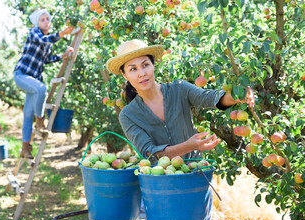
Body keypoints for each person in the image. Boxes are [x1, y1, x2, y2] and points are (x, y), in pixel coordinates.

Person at [106, 39, 255, 162]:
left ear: (153, 65)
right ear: (124, 75)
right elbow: (150, 154)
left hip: (197, 176)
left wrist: (239, 95)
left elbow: (209, 98)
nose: (142, 73)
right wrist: (189, 146)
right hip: (160, 185)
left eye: (145, 65)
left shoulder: (179, 89)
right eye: (133, 69)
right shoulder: (128, 115)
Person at [13, 9, 74, 159]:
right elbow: (45, 40)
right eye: (43, 20)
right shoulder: (34, 32)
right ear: (37, 23)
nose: (46, 22)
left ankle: (25, 148)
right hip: (22, 75)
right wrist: (63, 33)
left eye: (48, 19)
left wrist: (62, 56)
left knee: (27, 115)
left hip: (32, 80)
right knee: (42, 89)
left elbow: (46, 59)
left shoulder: (47, 41)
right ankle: (40, 120)